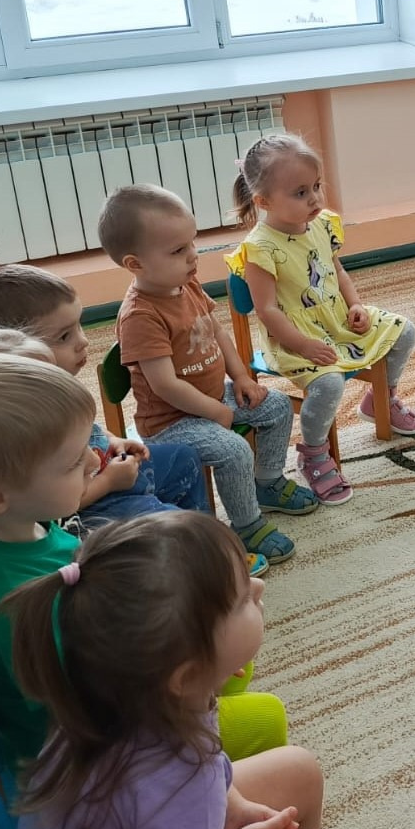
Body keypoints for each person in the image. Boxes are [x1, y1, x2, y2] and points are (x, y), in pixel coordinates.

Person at [0, 351, 289, 776]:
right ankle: (206, 795)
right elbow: (111, 716)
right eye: (72, 462)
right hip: (95, 764)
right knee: (266, 716)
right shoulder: (24, 607)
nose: (96, 462)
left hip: (94, 706)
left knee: (227, 651)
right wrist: (195, 679)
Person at [2, 512, 328, 829]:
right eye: (242, 598)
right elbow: (183, 791)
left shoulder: (111, 697)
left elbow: (206, 766)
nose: (259, 586)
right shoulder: (181, 782)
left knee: (301, 769)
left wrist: (234, 805)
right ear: (186, 677)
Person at [0, 265, 265, 566]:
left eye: (78, 326)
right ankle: (200, 558)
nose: (83, 340)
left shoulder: (52, 386)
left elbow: (87, 432)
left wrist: (113, 440)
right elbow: (51, 507)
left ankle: (204, 547)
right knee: (167, 521)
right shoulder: (16, 420)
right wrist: (108, 482)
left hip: (105, 471)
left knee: (184, 458)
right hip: (88, 507)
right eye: (64, 337)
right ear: (14, 352)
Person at [98, 185, 319, 565]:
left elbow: (217, 332)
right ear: (135, 264)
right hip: (171, 421)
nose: (192, 256)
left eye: (191, 243)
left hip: (215, 397)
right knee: (233, 450)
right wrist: (215, 412)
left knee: (278, 406)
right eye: (177, 251)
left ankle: (266, 483)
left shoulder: (185, 284)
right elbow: (165, 385)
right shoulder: (140, 316)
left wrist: (243, 378)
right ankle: (246, 525)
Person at [225, 134, 415, 506]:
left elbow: (337, 271)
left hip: (336, 321)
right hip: (292, 337)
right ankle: (314, 453)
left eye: (316, 187)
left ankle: (381, 400)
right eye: (300, 193)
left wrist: (356, 305)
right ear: (263, 201)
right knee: (329, 383)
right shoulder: (259, 248)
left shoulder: (322, 224)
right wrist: (303, 345)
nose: (315, 199)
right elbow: (267, 310)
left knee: (405, 332)